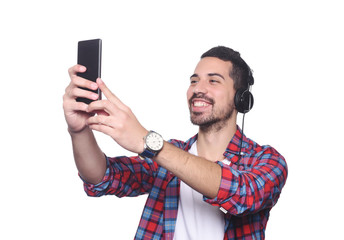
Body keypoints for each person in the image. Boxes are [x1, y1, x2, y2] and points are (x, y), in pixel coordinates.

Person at [63, 46, 288, 240]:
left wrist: (148, 141)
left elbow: (245, 194)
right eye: (194, 81)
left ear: (241, 98)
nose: (198, 88)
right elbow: (103, 177)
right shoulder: (171, 155)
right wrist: (79, 131)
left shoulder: (267, 160)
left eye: (213, 81)